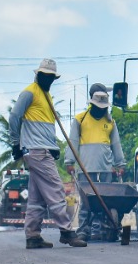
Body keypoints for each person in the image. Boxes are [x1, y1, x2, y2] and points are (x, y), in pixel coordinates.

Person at [9, 58, 86, 249]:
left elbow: (44, 128)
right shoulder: (29, 93)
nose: (48, 80)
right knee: (56, 190)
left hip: (43, 150)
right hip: (36, 151)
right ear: (38, 75)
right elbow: (14, 117)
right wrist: (16, 144)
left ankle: (32, 236)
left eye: (51, 77)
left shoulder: (46, 96)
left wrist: (53, 147)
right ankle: (67, 231)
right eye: (45, 76)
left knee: (36, 199)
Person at [67, 89, 125, 242]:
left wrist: (120, 164)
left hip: (105, 168)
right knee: (86, 203)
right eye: (98, 107)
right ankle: (83, 231)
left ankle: (99, 230)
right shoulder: (80, 119)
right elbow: (72, 142)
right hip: (85, 167)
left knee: (105, 201)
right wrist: (69, 161)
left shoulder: (110, 121)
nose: (100, 110)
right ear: (92, 104)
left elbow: (116, 144)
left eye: (103, 107)